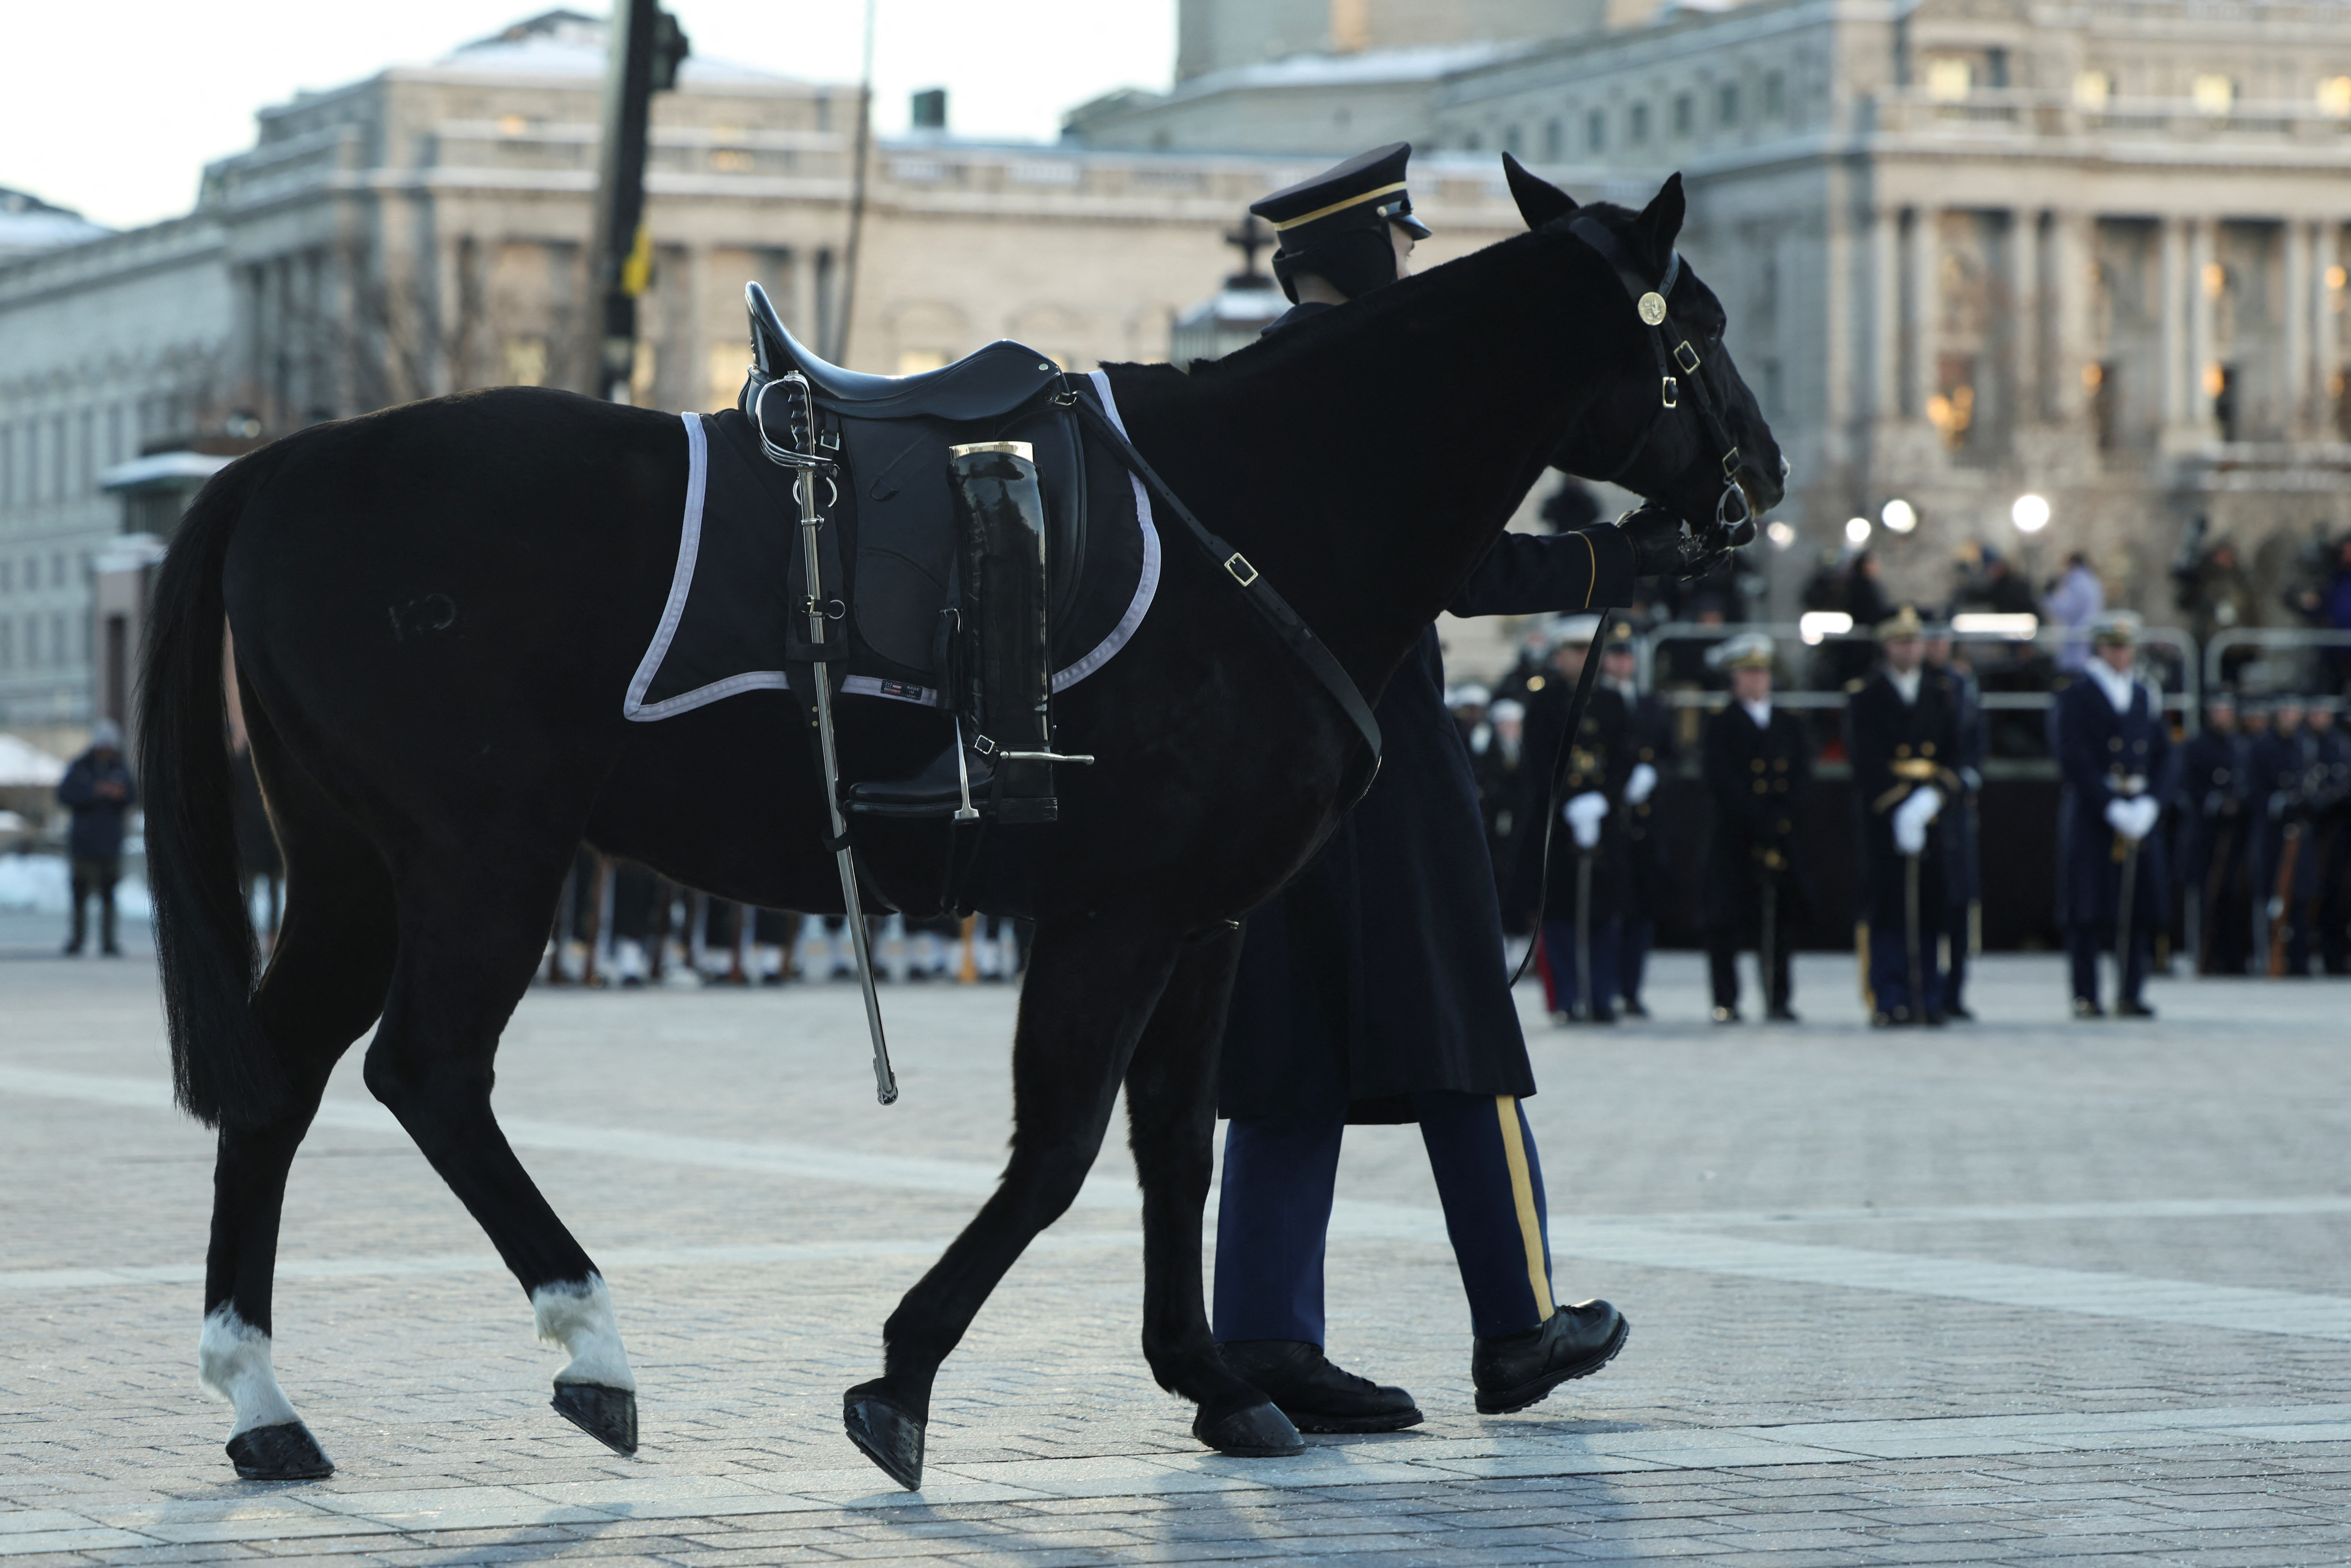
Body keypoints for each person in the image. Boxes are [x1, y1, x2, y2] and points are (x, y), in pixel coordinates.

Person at [1213, 142, 1719, 1433]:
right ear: (1367, 249)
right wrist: (1620, 557)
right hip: (1386, 756)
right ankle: (1519, 1321)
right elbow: (1461, 561)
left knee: (1285, 1052)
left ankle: (1263, 1337)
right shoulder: (1376, 379)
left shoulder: (1250, 382)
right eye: (1402, 237)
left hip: (1269, 768)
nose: (1412, 257)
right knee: (1463, 1039)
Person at [1846, 607, 1964, 1025]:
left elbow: (1954, 751)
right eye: (1901, 642)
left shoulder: (1940, 691)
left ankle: (1928, 994)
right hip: (1886, 814)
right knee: (1888, 907)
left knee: (1930, 906)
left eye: (1914, 642)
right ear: (1887, 647)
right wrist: (1897, 804)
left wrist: (1934, 796)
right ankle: (1889, 995)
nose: (1910, 650)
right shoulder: (1866, 695)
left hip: (1929, 810)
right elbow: (1865, 758)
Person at [2050, 614, 2172, 1017]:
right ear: (2100, 648)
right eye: (2114, 647)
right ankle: (2086, 993)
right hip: (2095, 809)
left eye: (2127, 648)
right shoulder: (2077, 694)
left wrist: (2152, 802)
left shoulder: (2143, 694)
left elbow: (2163, 753)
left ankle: (2131, 990)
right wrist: (2108, 803)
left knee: (2136, 904)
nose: (2121, 655)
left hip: (2137, 804)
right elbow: (2072, 755)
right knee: (2087, 906)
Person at [1528, 614, 1633, 1024]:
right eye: (1575, 650)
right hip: (1560, 820)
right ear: (1560, 656)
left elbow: (1624, 758)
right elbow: (1538, 762)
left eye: (1590, 650)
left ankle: (1602, 995)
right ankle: (1567, 997)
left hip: (1602, 819)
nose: (1584, 657)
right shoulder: (1544, 701)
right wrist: (1568, 803)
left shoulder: (1612, 702)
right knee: (1559, 913)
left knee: (1604, 911)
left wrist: (1603, 800)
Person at [1701, 633, 1810, 1022]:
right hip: (1735, 835)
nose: (1756, 679)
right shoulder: (1721, 723)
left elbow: (1801, 776)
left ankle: (1778, 997)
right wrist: (1756, 817)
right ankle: (1726, 998)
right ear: (1734, 677)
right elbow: (1721, 780)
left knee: (1778, 920)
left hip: (1779, 833)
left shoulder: (1787, 723)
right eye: (1748, 672)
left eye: (1761, 672)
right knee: (1725, 920)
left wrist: (1781, 819)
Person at [1603, 622, 1673, 1017]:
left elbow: (1670, 753)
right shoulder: (1596, 702)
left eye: (1627, 656)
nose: (1622, 663)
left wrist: (1654, 774)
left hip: (1647, 817)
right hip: (1611, 815)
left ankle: (1631, 987)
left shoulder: (1651, 704)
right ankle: (1607, 985)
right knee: (1612, 905)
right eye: (1616, 655)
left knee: (1642, 906)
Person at [1925, 623, 1986, 1020]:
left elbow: (1976, 734)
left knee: (1960, 899)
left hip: (1957, 800)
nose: (1937, 647)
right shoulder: (1923, 686)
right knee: (1930, 900)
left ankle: (1956, 989)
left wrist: (1971, 772)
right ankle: (1929, 987)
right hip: (1925, 797)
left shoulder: (1962, 684)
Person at [2175, 694, 2253, 975]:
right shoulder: (2196, 746)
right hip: (2204, 833)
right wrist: (2215, 803)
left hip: (2234, 834)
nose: (2223, 715)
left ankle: (2233, 957)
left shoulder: (2240, 746)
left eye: (2227, 710)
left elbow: (2247, 782)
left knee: (2233, 895)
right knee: (2204, 893)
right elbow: (2186, 787)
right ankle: (2202, 954)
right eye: (2219, 710)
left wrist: (2238, 802)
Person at [57, 718, 137, 957]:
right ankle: (77, 939)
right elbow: (64, 794)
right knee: (80, 894)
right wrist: (94, 791)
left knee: (109, 895)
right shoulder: (81, 767)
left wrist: (118, 794)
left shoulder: (119, 769)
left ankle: (109, 942)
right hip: (83, 844)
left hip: (110, 844)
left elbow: (132, 796)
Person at [2251, 695, 2317, 975]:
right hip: (2273, 832)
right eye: (2286, 711)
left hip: (2301, 830)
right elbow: (2254, 789)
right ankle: (2271, 955)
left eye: (2295, 711)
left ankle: (2300, 959)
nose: (2291, 717)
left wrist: (2310, 802)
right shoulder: (2263, 746)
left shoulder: (2306, 745)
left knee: (2302, 894)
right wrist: (2280, 803)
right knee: (2273, 891)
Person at [2043, 552, 2104, 674]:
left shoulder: (2078, 582)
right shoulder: (2092, 581)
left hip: (2076, 642)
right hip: (2086, 639)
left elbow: (2068, 610)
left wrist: (2050, 597)